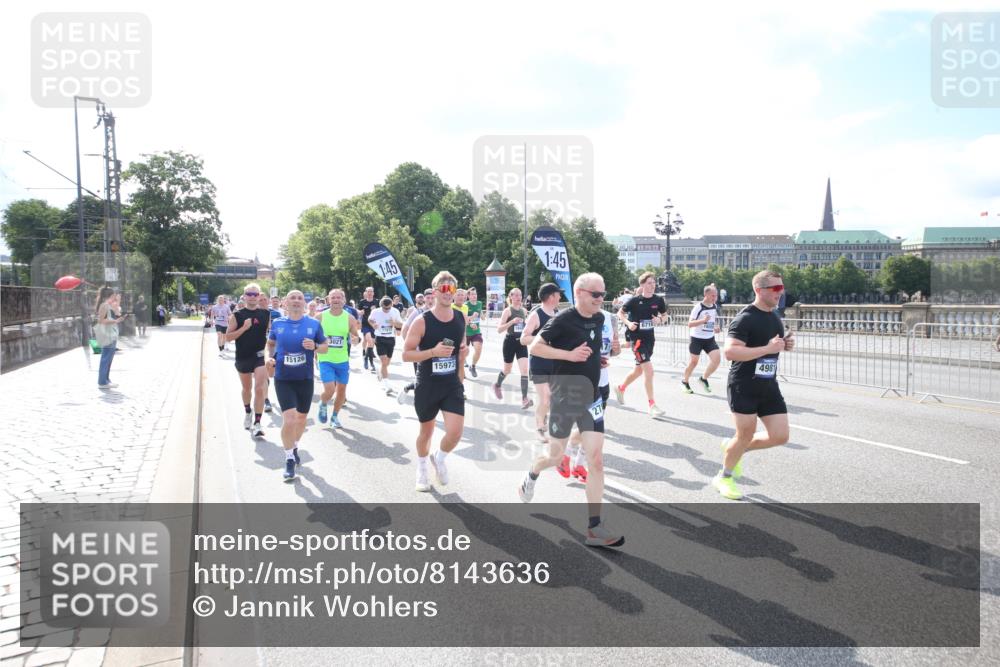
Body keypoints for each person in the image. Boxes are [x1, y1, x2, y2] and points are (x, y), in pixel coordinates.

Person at [518, 273, 624, 548]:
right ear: (579, 294)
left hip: (592, 396)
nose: (602, 299)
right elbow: (536, 346)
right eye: (596, 294)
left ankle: (594, 527)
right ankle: (532, 473)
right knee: (554, 457)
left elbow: (587, 348)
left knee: (596, 460)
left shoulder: (600, 319)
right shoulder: (563, 319)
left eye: (604, 293)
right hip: (566, 396)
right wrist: (568, 356)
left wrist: (599, 359)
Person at [714, 270, 796, 500]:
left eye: (782, 288)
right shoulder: (745, 318)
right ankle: (725, 477)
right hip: (744, 385)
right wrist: (767, 349)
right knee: (745, 435)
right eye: (776, 289)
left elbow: (770, 348)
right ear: (759, 290)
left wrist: (784, 345)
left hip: (768, 386)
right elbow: (730, 352)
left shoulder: (774, 316)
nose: (781, 293)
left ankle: (734, 449)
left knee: (780, 436)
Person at [402, 271, 467, 492]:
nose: (449, 293)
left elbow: (460, 349)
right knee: (426, 433)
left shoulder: (460, 318)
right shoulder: (422, 321)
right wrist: (433, 352)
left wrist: (462, 360)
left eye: (452, 289)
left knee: (456, 432)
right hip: (428, 384)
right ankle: (421, 468)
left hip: (451, 384)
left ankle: (439, 458)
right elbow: (406, 354)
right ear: (436, 291)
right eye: (444, 288)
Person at [266, 290, 328, 482]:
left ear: (305, 304)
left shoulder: (314, 324)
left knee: (301, 419)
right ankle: (289, 458)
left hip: (305, 378)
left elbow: (325, 346)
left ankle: (294, 446)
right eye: (292, 298)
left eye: (300, 298)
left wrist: (315, 347)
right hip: (283, 377)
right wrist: (269, 357)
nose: (296, 300)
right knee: (290, 419)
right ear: (285, 303)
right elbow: (270, 344)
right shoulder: (278, 323)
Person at [614, 271, 668, 417]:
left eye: (654, 283)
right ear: (642, 284)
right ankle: (652, 405)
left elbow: (665, 315)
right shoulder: (634, 301)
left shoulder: (658, 300)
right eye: (649, 283)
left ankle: (620, 388)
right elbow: (620, 313)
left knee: (638, 371)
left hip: (650, 339)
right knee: (649, 371)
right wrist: (628, 323)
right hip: (637, 340)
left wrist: (660, 320)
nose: (653, 285)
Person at [226, 283, 271, 437]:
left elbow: (269, 335)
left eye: (255, 294)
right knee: (247, 389)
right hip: (243, 356)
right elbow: (228, 337)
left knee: (259, 388)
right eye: (249, 294)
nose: (252, 297)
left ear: (259, 296)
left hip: (259, 356)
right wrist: (243, 328)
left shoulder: (265, 314)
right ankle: (248, 411)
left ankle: (258, 423)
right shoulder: (237, 315)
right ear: (244, 296)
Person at [520, 283, 562, 442]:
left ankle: (545, 420)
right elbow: (524, 339)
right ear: (551, 296)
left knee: (553, 399)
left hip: (556, 363)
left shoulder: (557, 313)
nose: (560, 297)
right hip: (539, 363)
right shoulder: (536, 314)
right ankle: (539, 428)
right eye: (558, 294)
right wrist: (544, 341)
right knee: (545, 397)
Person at [316, 288, 361, 428]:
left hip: (342, 359)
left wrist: (356, 340)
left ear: (344, 300)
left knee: (341, 391)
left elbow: (355, 335)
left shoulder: (349, 318)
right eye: (333, 297)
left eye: (338, 297)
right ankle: (323, 403)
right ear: (329, 300)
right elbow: (311, 335)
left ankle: (334, 417)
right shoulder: (320, 317)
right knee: (330, 390)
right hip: (325, 358)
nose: (336, 300)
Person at [493, 288, 533, 409]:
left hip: (521, 342)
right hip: (509, 342)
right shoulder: (507, 311)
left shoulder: (524, 311)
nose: (518, 297)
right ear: (510, 297)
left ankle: (524, 399)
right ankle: (497, 385)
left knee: (524, 370)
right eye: (515, 295)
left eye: (520, 295)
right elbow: (499, 329)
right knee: (507, 370)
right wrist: (512, 322)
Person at [682, 283, 722, 394]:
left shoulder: (714, 306)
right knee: (694, 362)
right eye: (713, 295)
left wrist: (715, 327)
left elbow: (711, 321)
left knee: (717, 360)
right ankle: (684, 382)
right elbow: (689, 324)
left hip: (709, 338)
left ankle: (703, 378)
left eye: (716, 295)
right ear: (706, 294)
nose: (715, 298)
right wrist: (702, 321)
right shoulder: (698, 307)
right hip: (696, 338)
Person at [399, 288, 434, 400]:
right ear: (424, 299)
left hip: (435, 352)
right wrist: (409, 347)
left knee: (433, 379)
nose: (430, 300)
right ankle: (414, 394)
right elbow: (405, 329)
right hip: (419, 352)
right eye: (428, 298)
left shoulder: (439, 312)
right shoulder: (418, 312)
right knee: (422, 380)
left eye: (432, 298)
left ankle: (412, 389)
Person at [369, 296, 404, 396]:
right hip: (380, 338)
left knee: (387, 363)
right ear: (381, 306)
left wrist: (394, 323)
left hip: (391, 339)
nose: (386, 310)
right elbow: (370, 319)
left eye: (388, 308)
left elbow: (401, 325)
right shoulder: (376, 311)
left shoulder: (395, 311)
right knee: (384, 361)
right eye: (385, 308)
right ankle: (386, 385)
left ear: (391, 305)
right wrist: (373, 325)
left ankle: (380, 372)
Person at [95, 287, 125, 389]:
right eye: (113, 296)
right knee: (106, 358)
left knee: (109, 358)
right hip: (107, 334)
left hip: (111, 334)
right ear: (109, 296)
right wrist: (115, 321)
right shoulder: (104, 305)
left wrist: (117, 318)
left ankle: (106, 380)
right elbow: (100, 321)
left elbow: (117, 312)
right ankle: (102, 382)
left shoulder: (108, 305)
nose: (114, 297)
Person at [357, 287, 379, 373]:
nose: (369, 293)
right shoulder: (362, 302)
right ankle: (372, 364)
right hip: (365, 324)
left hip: (374, 325)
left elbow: (382, 311)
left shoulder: (377, 301)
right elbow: (358, 310)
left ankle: (366, 357)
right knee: (369, 341)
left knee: (371, 344)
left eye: (371, 292)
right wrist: (360, 312)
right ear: (366, 293)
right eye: (368, 291)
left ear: (373, 293)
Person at [465, 286, 484, 378]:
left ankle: (473, 366)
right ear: (468, 296)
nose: (474, 296)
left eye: (475, 294)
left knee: (479, 348)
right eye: (472, 294)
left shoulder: (479, 303)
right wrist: (471, 321)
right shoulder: (465, 305)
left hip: (476, 332)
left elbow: (480, 312)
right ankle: (461, 369)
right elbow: (462, 319)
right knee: (464, 352)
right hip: (465, 333)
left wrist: (482, 316)